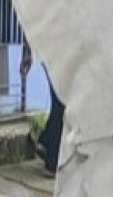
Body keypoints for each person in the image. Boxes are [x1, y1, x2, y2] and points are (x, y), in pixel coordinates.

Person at [23, 42, 65, 178]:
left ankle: (44, 142)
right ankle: (51, 160)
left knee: (60, 105)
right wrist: (28, 52)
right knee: (60, 105)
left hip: (61, 52)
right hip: (56, 53)